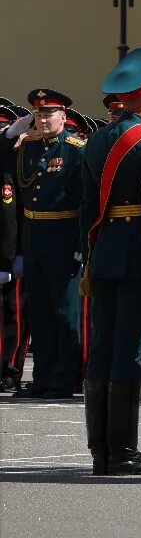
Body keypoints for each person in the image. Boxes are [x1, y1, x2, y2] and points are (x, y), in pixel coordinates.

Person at [80, 48, 141, 476]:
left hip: (105, 251)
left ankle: (100, 449)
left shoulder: (96, 139)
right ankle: (123, 451)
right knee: (130, 351)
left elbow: (86, 206)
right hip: (137, 255)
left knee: (102, 348)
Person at [5, 88, 86, 399]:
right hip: (35, 238)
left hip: (63, 238)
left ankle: (67, 378)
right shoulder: (28, 149)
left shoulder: (76, 150)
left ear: (63, 117)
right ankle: (43, 377)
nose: (42, 118)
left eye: (49, 112)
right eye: (38, 113)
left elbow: (84, 201)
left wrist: (81, 244)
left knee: (64, 312)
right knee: (38, 312)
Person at [0, 106, 21, 393]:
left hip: (8, 254)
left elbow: (10, 217)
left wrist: (8, 259)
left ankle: (9, 368)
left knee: (12, 313)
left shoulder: (10, 167)